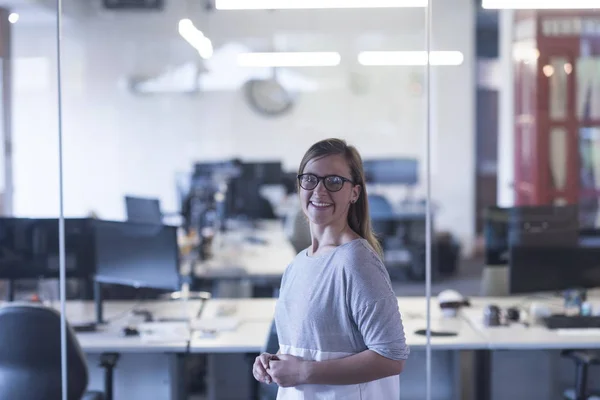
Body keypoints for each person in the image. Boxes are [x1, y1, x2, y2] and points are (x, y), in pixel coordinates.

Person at [252, 138, 409, 399]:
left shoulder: (356, 262)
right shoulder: (298, 263)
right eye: (310, 179)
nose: (319, 191)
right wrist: (275, 362)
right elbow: (311, 346)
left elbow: (391, 357)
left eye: (334, 181)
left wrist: (303, 373)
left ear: (355, 193)